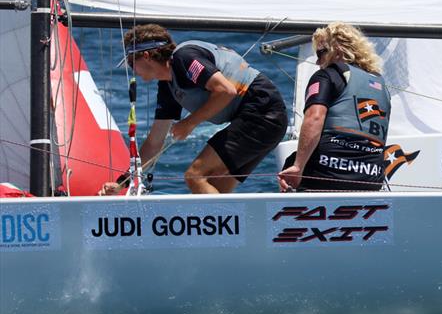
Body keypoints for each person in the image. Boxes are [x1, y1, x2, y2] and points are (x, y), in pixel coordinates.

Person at [99, 24, 287, 195]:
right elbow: (154, 143)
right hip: (260, 118)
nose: (133, 71)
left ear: (146, 56)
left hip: (263, 111)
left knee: (195, 176)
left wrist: (189, 123)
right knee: (215, 188)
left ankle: (224, 230)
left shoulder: (184, 58)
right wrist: (121, 183)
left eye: (132, 63)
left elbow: (225, 91)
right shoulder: (167, 86)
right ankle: (228, 232)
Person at [278, 22, 391, 192]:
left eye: (321, 53)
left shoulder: (327, 75)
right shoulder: (382, 85)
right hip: (370, 178)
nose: (317, 61)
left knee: (290, 166)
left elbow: (314, 118)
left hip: (327, 171)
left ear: (336, 49)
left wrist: (298, 166)